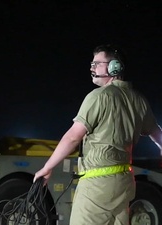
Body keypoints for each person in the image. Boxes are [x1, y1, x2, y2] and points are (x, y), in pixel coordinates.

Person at [33, 44, 162, 225]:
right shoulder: (138, 100)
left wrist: (47, 168)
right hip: (124, 181)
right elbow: (156, 132)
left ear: (114, 67)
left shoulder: (99, 96)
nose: (91, 68)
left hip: (97, 186)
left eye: (97, 63)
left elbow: (73, 137)